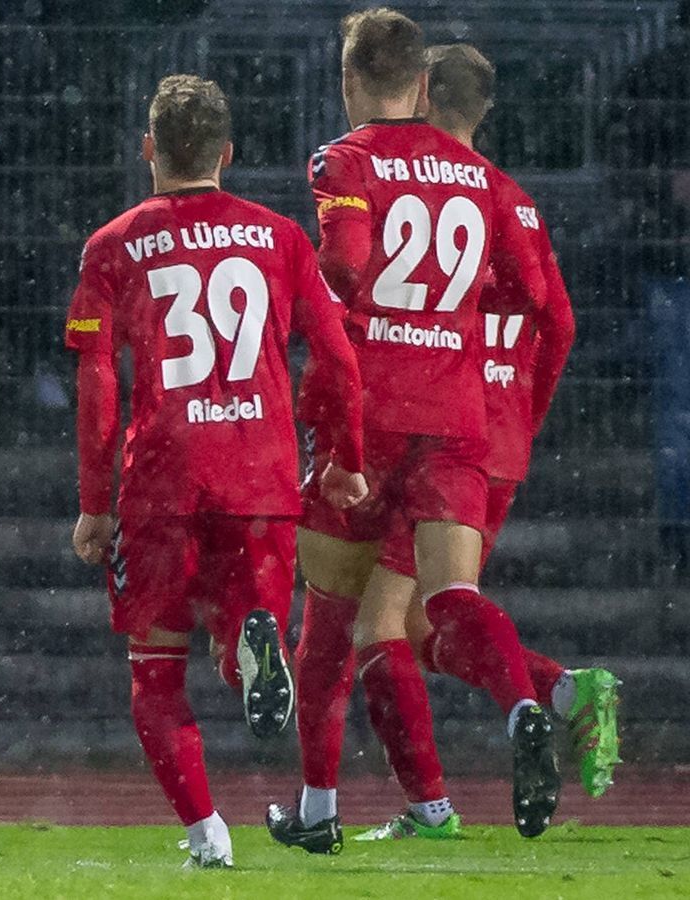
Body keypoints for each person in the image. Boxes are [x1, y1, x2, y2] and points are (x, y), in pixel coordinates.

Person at [267, 8, 557, 854]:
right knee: (452, 601)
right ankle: (524, 707)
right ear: (424, 85)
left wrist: (322, 313)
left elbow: (348, 263)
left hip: (374, 409)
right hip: (457, 417)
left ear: (348, 79)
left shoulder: (343, 159)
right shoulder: (477, 173)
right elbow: (532, 295)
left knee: (327, 620)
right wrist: (453, 315)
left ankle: (320, 810)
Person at [66, 74, 367, 869]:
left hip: (163, 478)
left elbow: (98, 388)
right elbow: (338, 360)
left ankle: (208, 832)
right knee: (242, 639)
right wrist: (345, 459)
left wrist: (95, 505)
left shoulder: (112, 246)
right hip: (259, 477)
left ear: (148, 151)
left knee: (156, 674)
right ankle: (247, 648)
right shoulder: (280, 237)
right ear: (228, 154)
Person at [390, 42, 619, 813]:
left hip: (433, 429)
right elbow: (559, 323)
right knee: (428, 626)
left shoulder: (418, 193)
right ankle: (555, 693)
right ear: (484, 110)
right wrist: (525, 409)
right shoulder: (512, 198)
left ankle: (436, 798)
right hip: (497, 437)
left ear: (421, 95)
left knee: (387, 627)